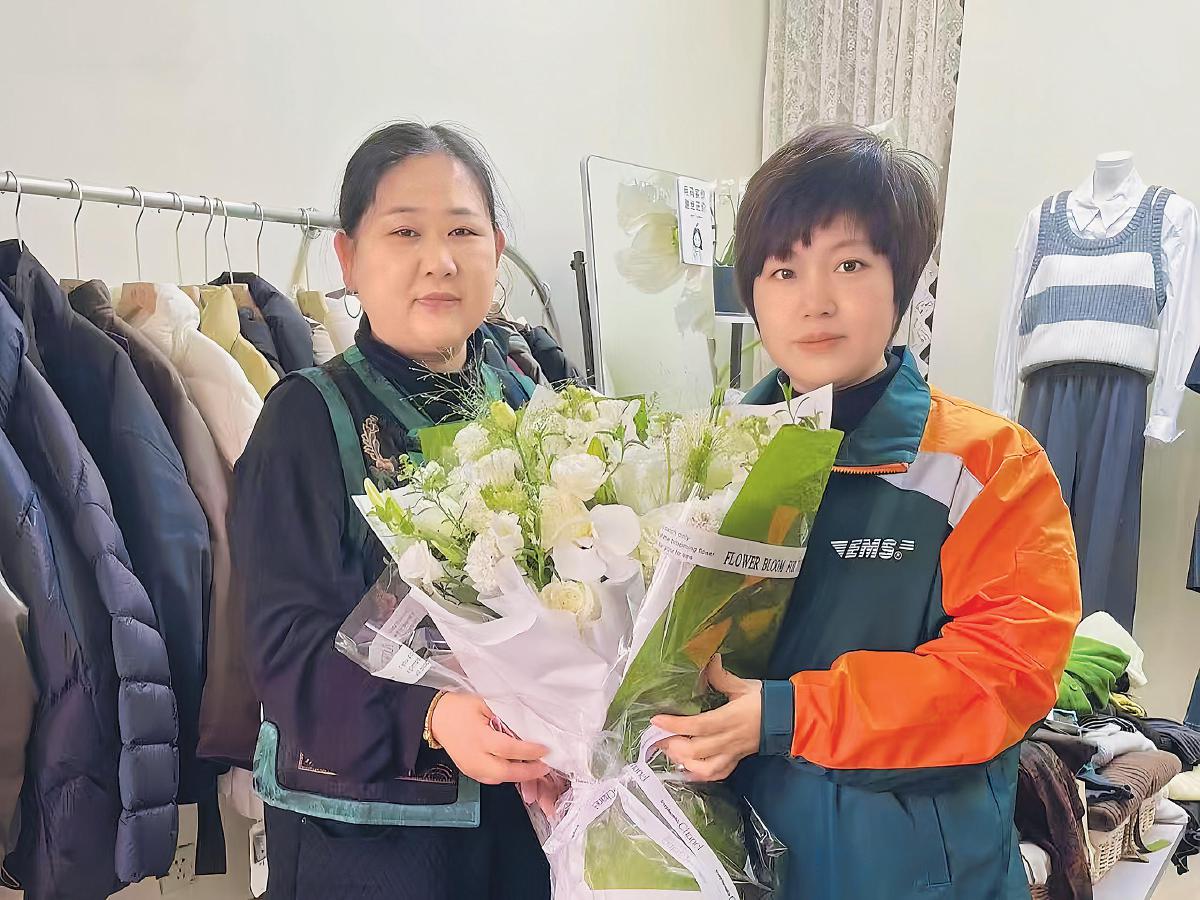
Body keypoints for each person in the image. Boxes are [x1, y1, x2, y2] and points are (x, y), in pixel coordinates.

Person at [652, 124, 1082, 899]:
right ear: (752, 295)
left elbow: (1006, 675)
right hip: (740, 854)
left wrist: (790, 715)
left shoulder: (988, 463)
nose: (815, 300)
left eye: (849, 264)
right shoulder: (708, 458)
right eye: (784, 270)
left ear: (902, 283)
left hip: (912, 873)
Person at [231, 122, 552, 899]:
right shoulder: (308, 418)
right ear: (349, 258)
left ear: (496, 251)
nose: (438, 260)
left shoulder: (526, 401)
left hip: (524, 814)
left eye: (463, 232)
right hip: (371, 843)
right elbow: (282, 649)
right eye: (405, 231)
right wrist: (432, 716)